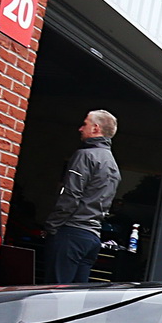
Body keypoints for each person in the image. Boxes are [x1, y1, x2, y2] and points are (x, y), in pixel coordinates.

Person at [42, 110, 120, 284]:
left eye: (85, 124)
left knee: (53, 291)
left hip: (71, 233)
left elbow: (71, 195)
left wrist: (51, 226)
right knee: (75, 294)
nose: (80, 128)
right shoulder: (112, 164)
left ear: (95, 128)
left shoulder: (85, 155)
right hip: (92, 237)